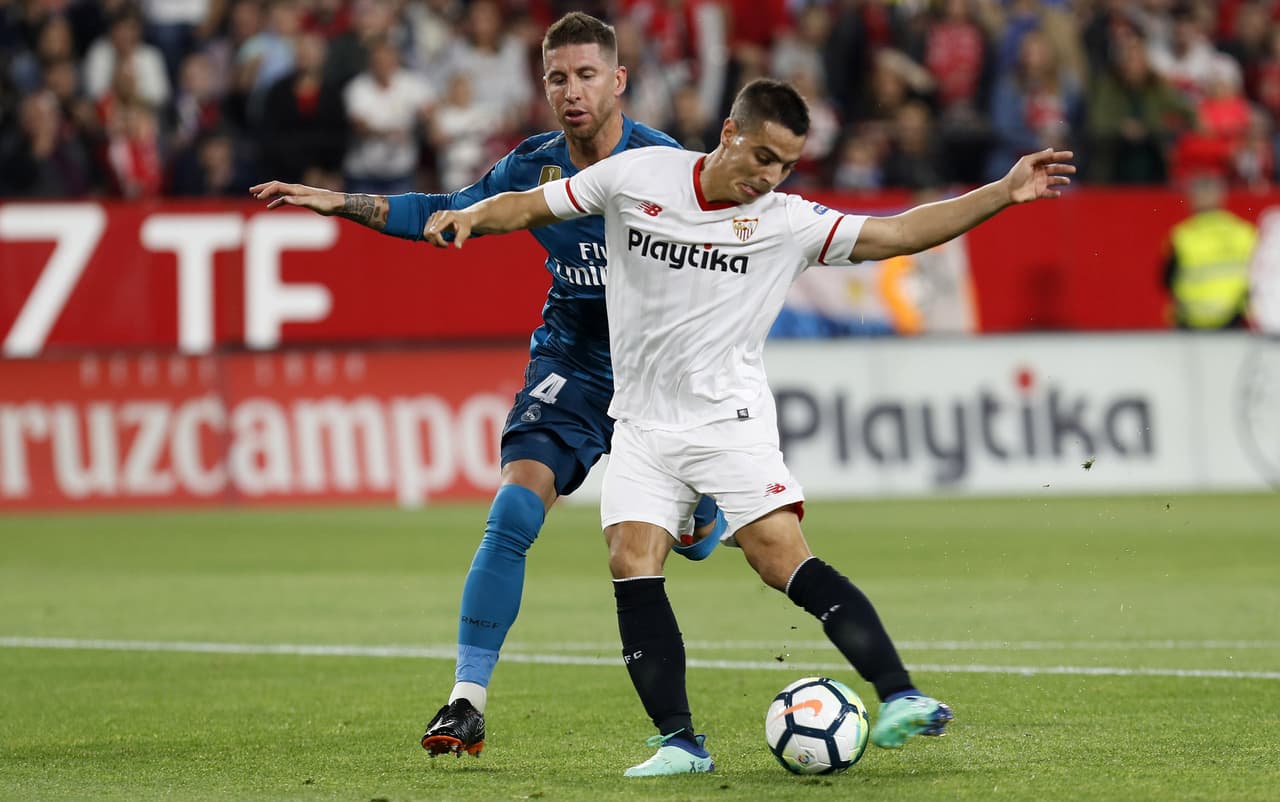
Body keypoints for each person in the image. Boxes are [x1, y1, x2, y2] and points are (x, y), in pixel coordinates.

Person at [421, 78, 1075, 776]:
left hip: (727, 421)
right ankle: (680, 743)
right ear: (729, 132)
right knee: (630, 563)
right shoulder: (641, 175)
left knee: (778, 557)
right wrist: (474, 217)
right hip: (640, 421)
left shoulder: (786, 221)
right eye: (762, 156)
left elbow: (900, 231)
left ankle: (901, 696)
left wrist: (1002, 193)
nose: (770, 176)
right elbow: (531, 204)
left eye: (785, 165)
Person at [249, 11, 725, 758]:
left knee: (686, 534)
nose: (572, 91)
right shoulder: (531, 168)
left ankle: (697, 512)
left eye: (587, 75)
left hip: (660, 372)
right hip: (571, 362)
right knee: (512, 508)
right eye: (558, 77)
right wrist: (339, 202)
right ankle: (465, 702)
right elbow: (446, 211)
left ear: (619, 81)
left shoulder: (668, 164)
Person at [1163, 174, 1256, 329]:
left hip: (1191, 323)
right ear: (1221, 197)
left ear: (1191, 199)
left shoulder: (1181, 236)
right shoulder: (1245, 233)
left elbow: (1166, 280)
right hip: (1234, 323)